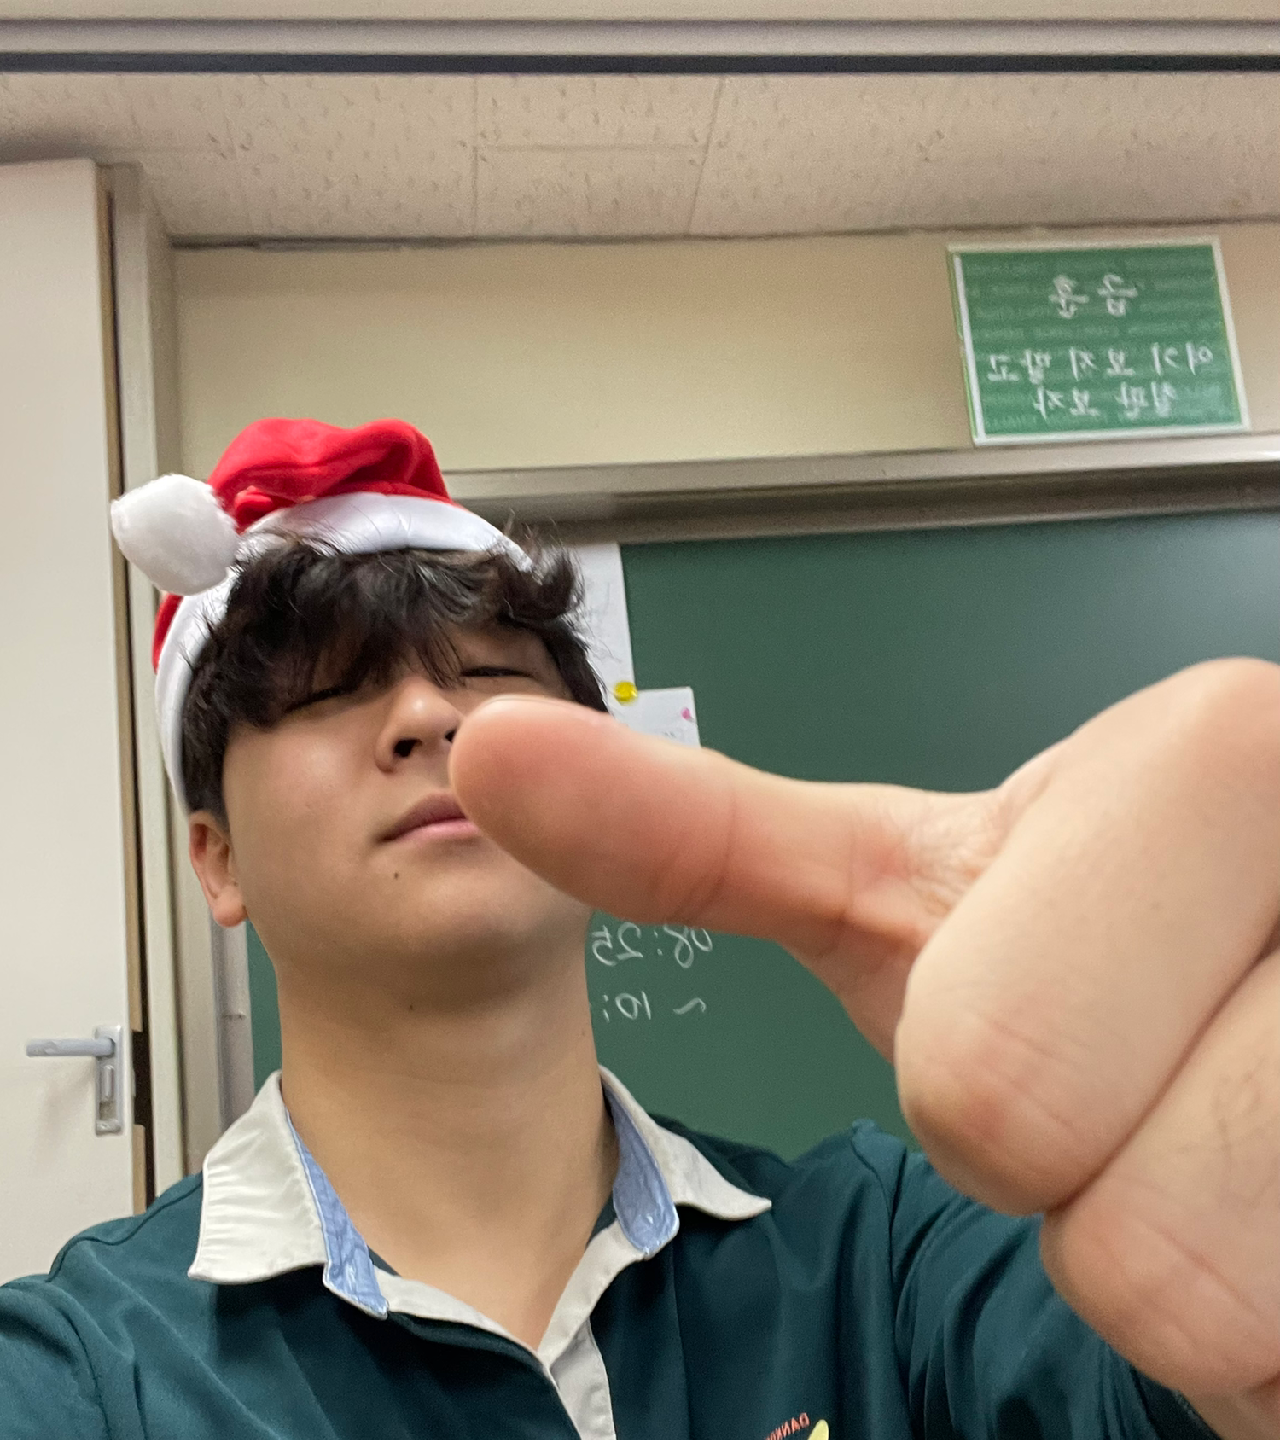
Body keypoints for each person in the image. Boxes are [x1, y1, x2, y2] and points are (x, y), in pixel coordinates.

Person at [0, 416, 1275, 1440]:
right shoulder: (86, 1371)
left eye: (489, 675)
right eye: (329, 691)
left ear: (598, 793)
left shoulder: (879, 1257)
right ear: (215, 858)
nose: (429, 720)